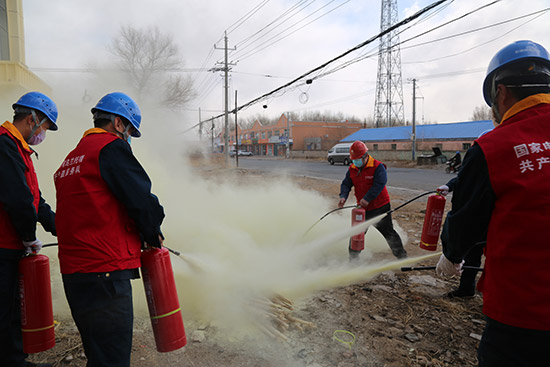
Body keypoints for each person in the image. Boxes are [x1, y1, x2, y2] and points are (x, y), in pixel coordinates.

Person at [435, 40, 550, 366]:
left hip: (524, 314)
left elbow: (466, 221)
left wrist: (451, 253)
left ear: (500, 93)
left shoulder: (493, 147)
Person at [54, 92, 165, 367]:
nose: (128, 137)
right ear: (118, 123)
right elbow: (140, 199)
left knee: (98, 351)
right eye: (129, 131)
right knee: (112, 357)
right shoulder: (111, 149)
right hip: (105, 272)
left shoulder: (71, 158)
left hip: (75, 273)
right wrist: (153, 233)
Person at [0, 92, 58, 367]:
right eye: (45, 125)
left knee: (12, 307)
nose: (43, 132)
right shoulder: (4, 144)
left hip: (10, 245)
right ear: (32, 118)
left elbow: (35, 198)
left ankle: (14, 359)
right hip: (2, 245)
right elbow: (17, 198)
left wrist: (60, 226)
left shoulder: (18, 148)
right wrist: (28, 236)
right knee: (4, 309)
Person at [338, 141, 407, 260]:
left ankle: (402, 258)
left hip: (380, 207)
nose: (355, 162)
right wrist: (343, 196)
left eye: (358, 159)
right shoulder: (352, 168)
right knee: (356, 234)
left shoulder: (377, 166)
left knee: (389, 233)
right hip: (363, 210)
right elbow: (346, 184)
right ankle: (353, 260)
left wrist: (367, 198)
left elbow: (379, 184)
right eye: (353, 159)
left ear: (365, 156)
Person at [437, 177, 484, 298]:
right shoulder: (478, 163)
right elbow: (466, 175)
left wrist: (451, 256)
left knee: (482, 253)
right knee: (473, 253)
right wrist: (449, 186)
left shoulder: (486, 159)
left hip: (480, 215)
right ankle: (467, 289)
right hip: (473, 215)